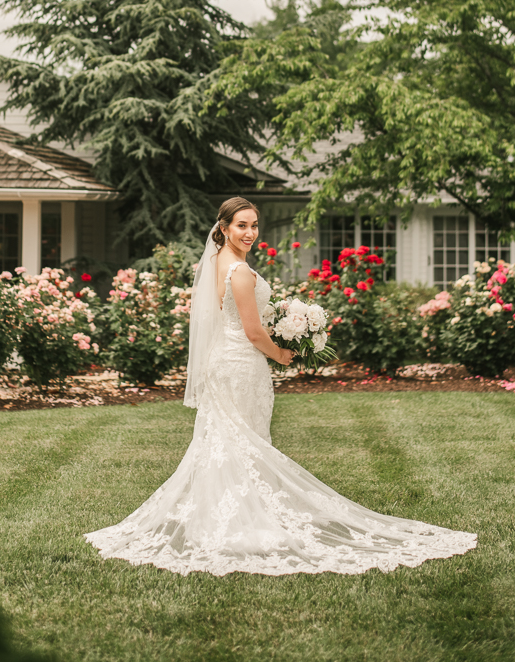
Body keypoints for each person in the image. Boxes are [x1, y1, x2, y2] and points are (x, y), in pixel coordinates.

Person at [85, 196, 476, 576]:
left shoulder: (222, 263)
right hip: (241, 364)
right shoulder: (237, 271)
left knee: (228, 441)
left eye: (254, 225)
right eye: (242, 225)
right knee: (243, 441)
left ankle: (224, 518)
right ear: (223, 228)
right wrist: (282, 354)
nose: (250, 232)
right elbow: (254, 332)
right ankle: (239, 524)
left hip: (227, 362)